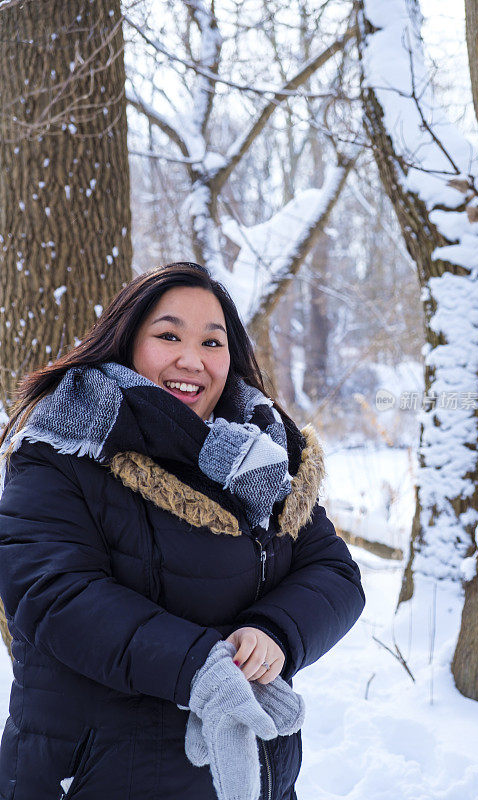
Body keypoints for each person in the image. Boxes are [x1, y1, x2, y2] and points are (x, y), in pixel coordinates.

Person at [0, 262, 365, 800]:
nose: (191, 360)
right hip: (97, 774)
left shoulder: (262, 459)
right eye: (168, 335)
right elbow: (54, 593)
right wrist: (198, 666)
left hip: (253, 776)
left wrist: (276, 633)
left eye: (212, 343)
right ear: (125, 343)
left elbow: (333, 570)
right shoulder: (63, 448)